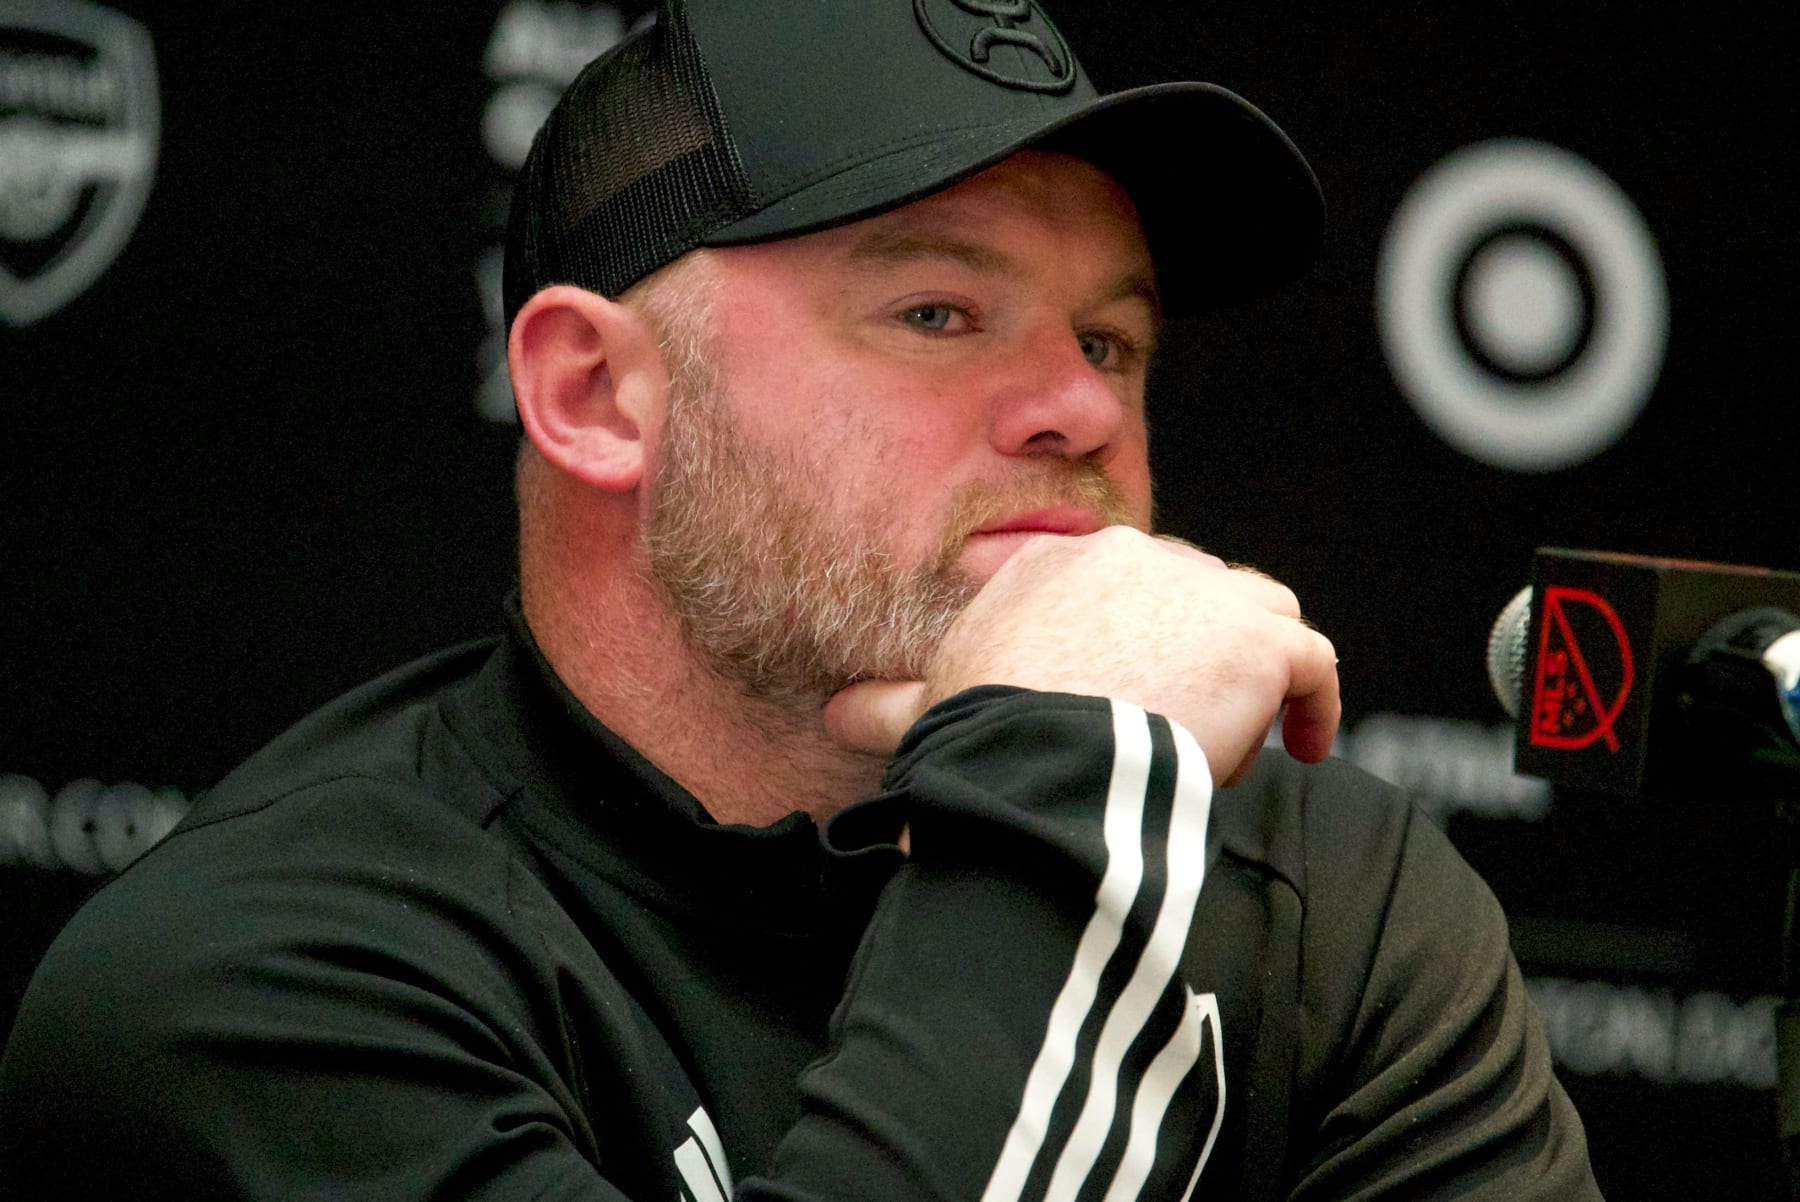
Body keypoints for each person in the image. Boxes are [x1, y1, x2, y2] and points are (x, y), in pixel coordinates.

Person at [0, 2, 1603, 1198]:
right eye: (936, 308)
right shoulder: (251, 988)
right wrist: (1067, 784)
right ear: (598, 395)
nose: (1080, 411)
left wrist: (1066, 781)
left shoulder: (1325, 888)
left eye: (1111, 341)